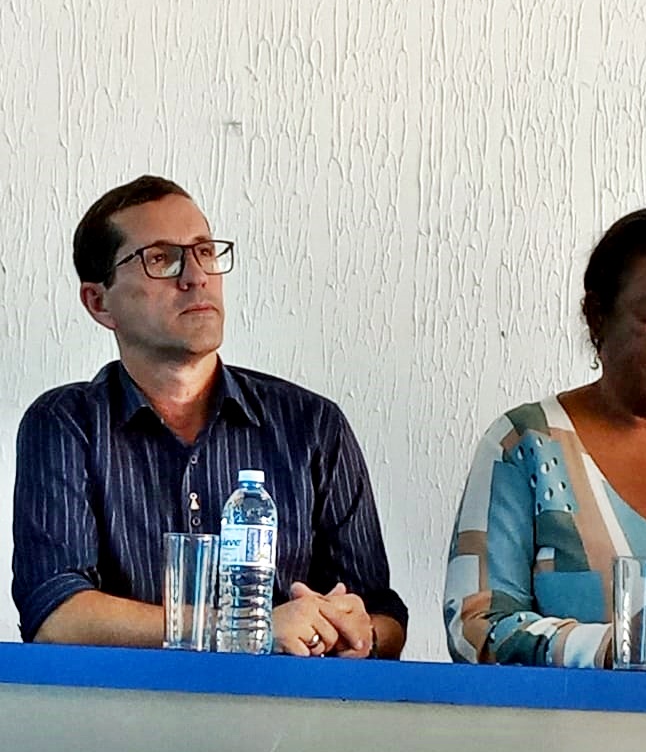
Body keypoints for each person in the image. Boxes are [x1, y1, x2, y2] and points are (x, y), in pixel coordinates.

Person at [13, 175, 407, 658]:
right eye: (161, 259)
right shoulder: (66, 424)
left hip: (287, 703)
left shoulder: (311, 424)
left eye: (204, 252)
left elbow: (383, 613)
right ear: (99, 302)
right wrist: (247, 630)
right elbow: (56, 615)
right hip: (127, 704)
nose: (196, 276)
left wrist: (358, 632)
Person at [444, 206, 646, 672]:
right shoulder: (525, 446)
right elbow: (475, 627)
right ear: (597, 315)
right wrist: (614, 647)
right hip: (573, 722)